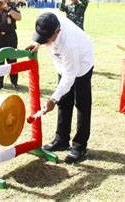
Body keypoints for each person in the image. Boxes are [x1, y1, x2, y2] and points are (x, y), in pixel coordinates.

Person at [26, 11, 94, 164]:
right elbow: (43, 34)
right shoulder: (46, 18)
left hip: (81, 64)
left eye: (46, 39)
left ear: (58, 31)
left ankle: (79, 146)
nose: (46, 42)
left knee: (81, 103)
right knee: (64, 101)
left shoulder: (69, 43)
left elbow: (70, 75)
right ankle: (61, 140)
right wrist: (38, 43)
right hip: (63, 65)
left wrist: (52, 99)